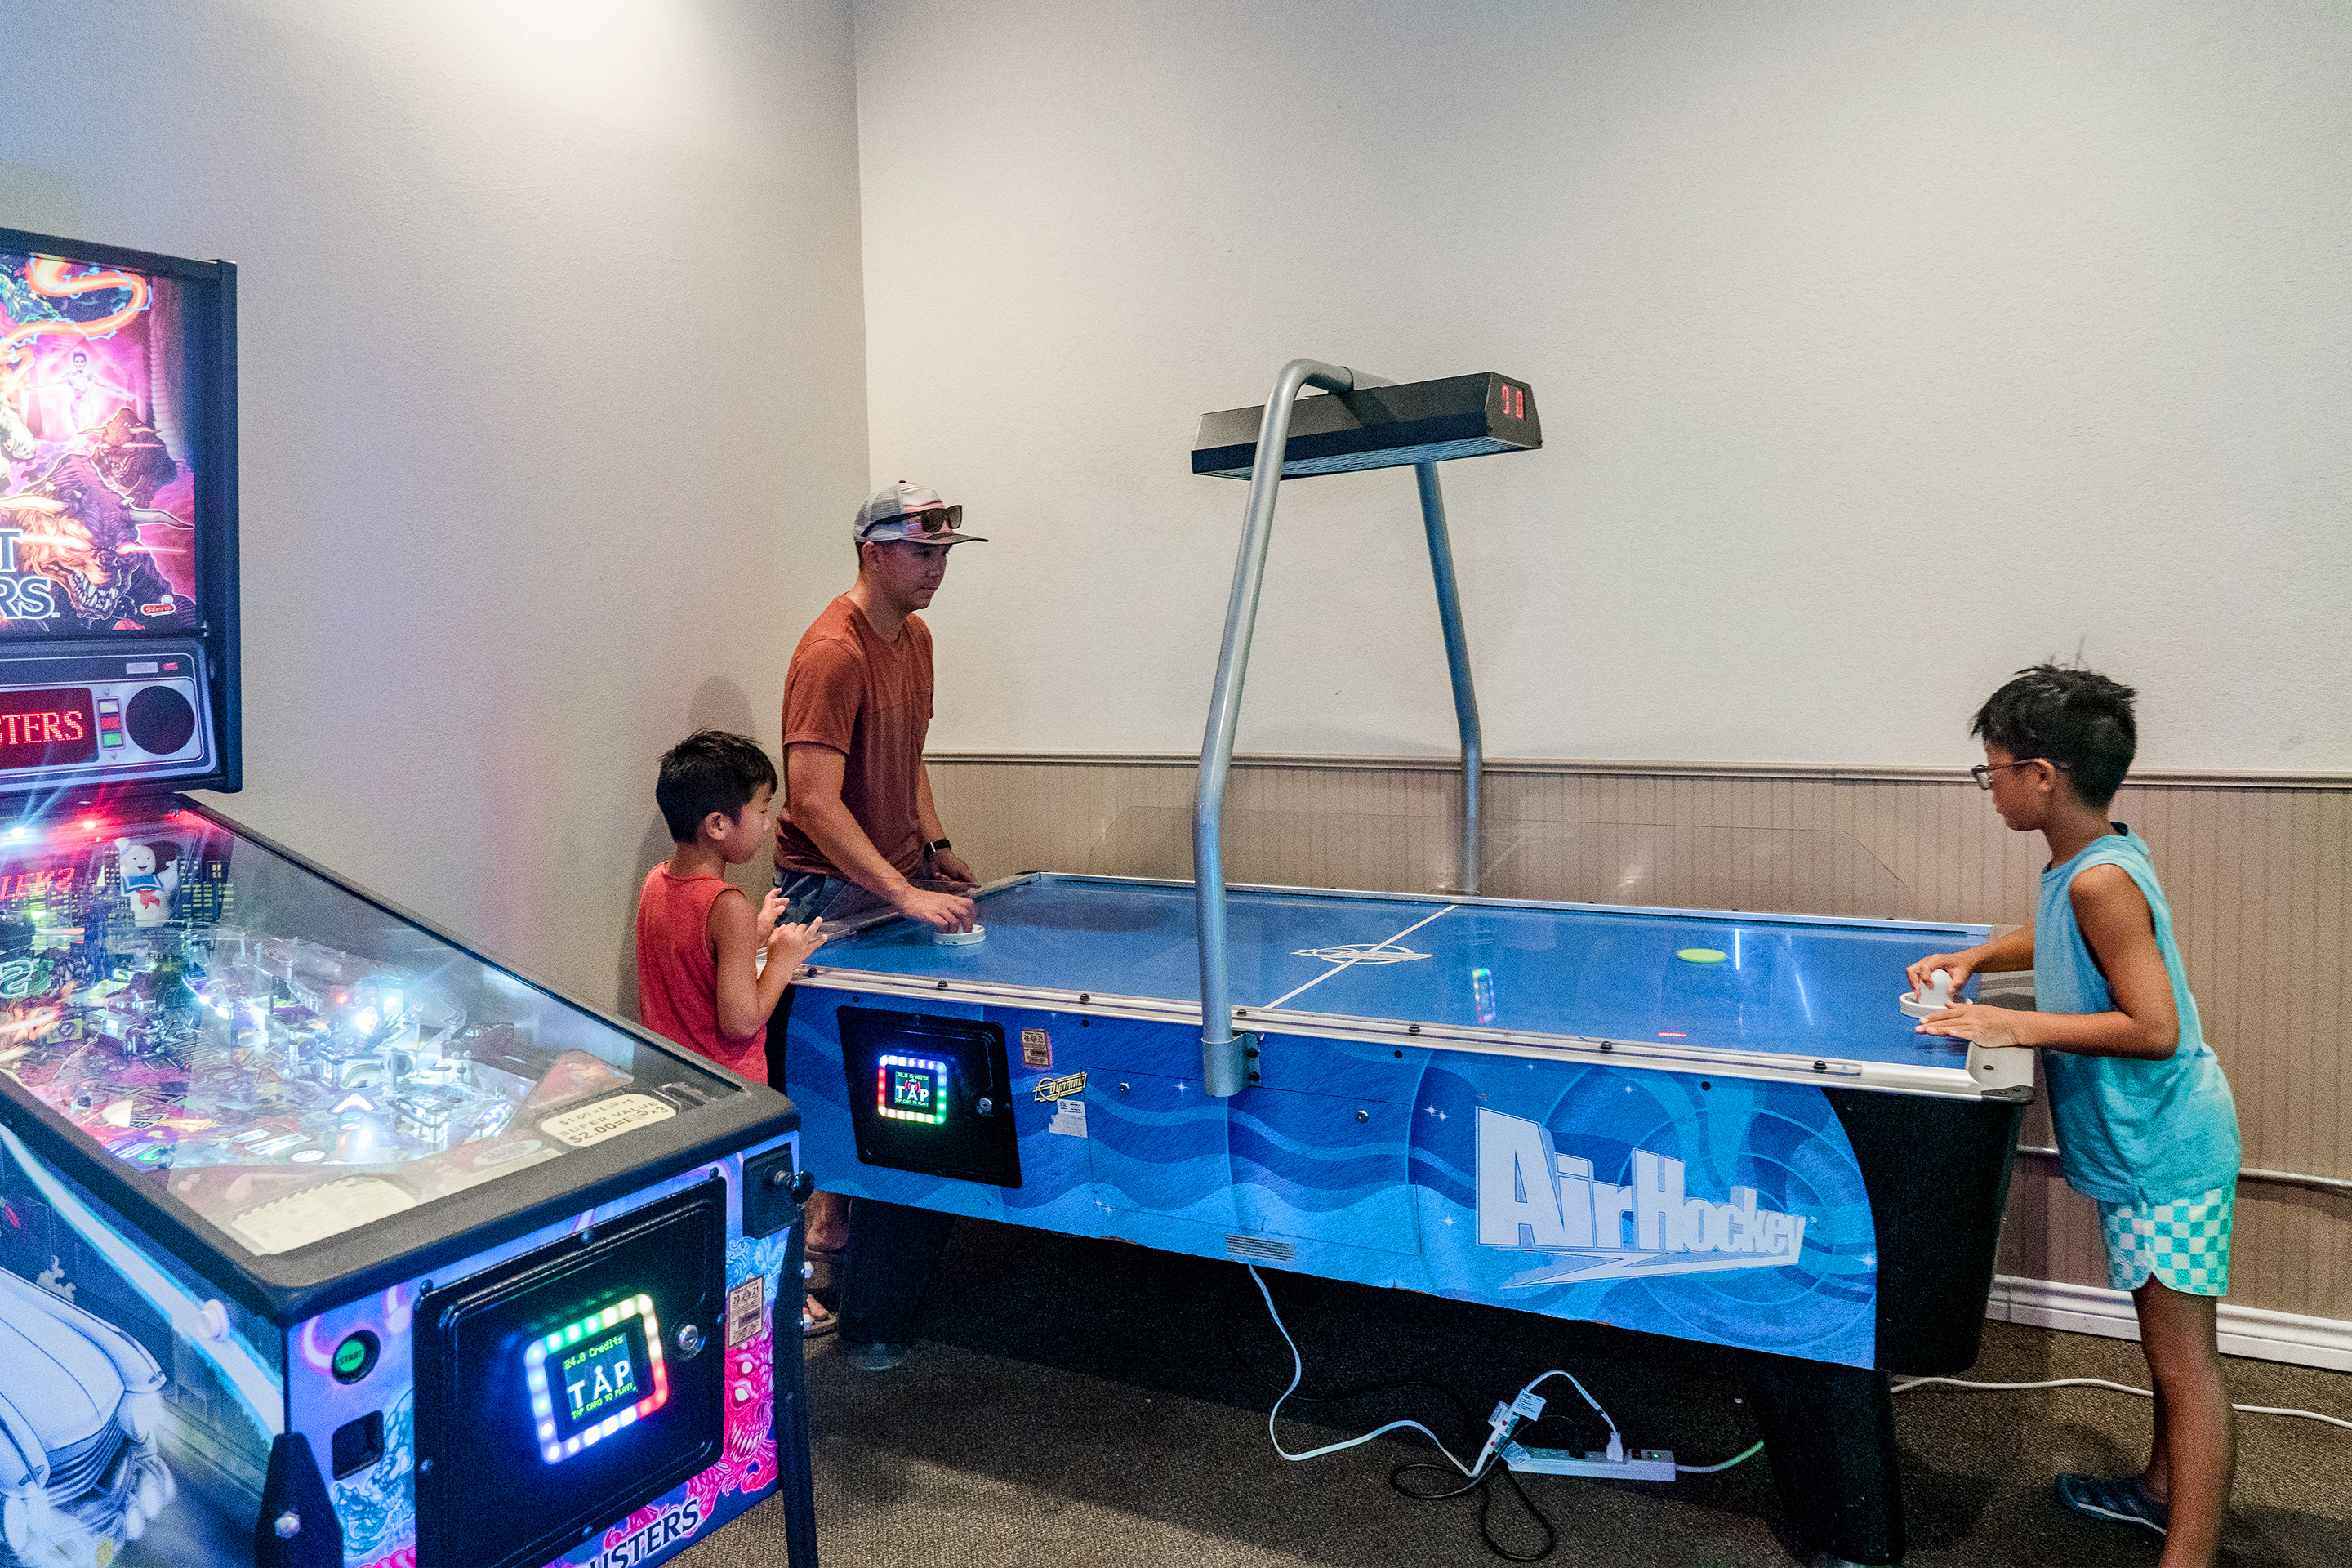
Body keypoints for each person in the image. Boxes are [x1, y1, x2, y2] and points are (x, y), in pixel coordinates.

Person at [1906, 665, 2241, 1568]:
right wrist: (1981, 953)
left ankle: (2189, 1557)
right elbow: (2055, 930)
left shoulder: (2099, 881)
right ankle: (2158, 1495)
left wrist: (2010, 1020)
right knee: (2166, 1352)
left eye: (1995, 770)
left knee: (2186, 1368)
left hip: (2165, 1149)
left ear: (2041, 775)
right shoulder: (2088, 861)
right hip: (2143, 1149)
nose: (1992, 788)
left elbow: (2154, 1027)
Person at [773, 483, 987, 1363]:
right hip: (830, 895)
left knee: (892, 1089)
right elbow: (814, 802)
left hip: (894, 876)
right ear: (872, 552)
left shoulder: (918, 638)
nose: (937, 568)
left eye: (943, 554)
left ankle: (839, 1240)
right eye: (921, 552)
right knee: (836, 1091)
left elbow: (908, 760)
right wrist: (902, 895)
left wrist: (932, 845)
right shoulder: (831, 653)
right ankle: (819, 1258)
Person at [636, 729, 832, 1330]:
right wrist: (782, 959)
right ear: (720, 824)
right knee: (764, 1209)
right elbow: (742, 1017)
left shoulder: (655, 883)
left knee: (706, 1211)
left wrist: (754, 930)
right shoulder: (726, 903)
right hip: (737, 1097)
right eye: (763, 810)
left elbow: (699, 967)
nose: (769, 824)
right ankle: (787, 1307)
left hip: (677, 1089)